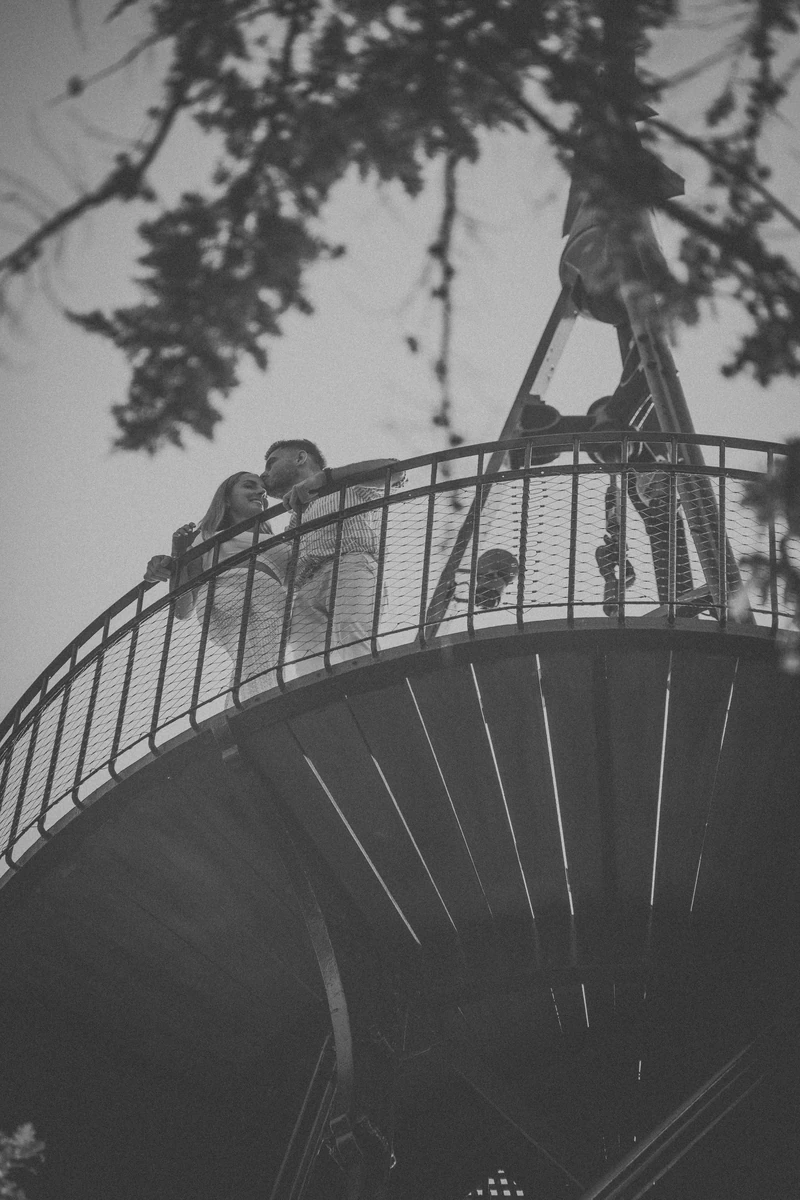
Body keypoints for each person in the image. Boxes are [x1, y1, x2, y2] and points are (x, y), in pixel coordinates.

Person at [145, 471, 290, 697]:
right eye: (249, 486)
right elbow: (182, 610)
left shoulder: (277, 540)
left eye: (262, 490)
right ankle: (254, 711)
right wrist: (178, 555)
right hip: (233, 594)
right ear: (228, 499)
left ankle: (247, 706)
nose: (260, 492)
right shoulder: (207, 538)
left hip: (272, 605)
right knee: (259, 663)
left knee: (258, 663)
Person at [260, 440, 404, 666]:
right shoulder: (294, 522)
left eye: (271, 464)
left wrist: (325, 479)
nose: (264, 473)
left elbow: (395, 470)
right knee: (307, 664)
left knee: (353, 643)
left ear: (300, 458)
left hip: (349, 566)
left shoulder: (347, 485)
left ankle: (370, 698)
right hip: (304, 591)